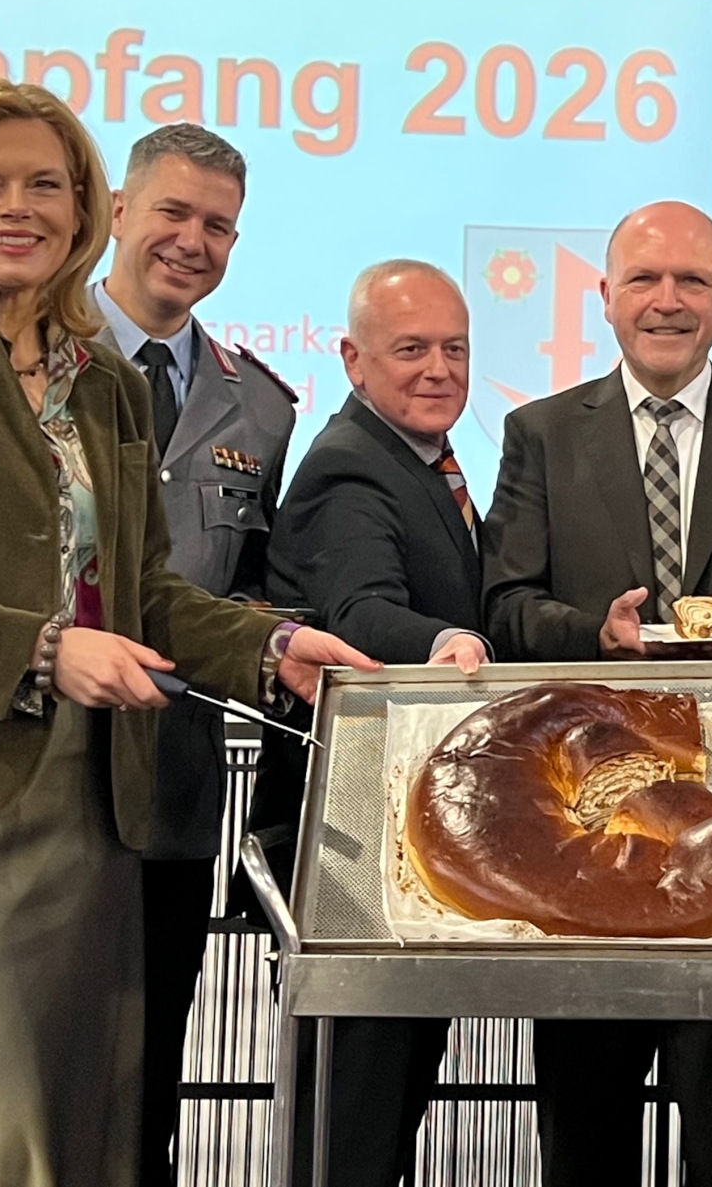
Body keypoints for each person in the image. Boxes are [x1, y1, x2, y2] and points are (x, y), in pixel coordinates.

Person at [0, 77, 371, 1187]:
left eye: (47, 183)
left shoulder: (99, 384)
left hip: (89, 803)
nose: (18, 206)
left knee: (79, 1135)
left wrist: (270, 649)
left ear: (83, 207)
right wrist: (42, 649)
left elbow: (143, 595)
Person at [482, 200, 712, 1187]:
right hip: (591, 826)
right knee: (584, 1117)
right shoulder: (539, 434)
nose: (668, 300)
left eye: (692, 281)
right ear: (605, 299)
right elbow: (506, 603)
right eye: (645, 279)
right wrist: (590, 631)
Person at [89, 121, 298, 1187]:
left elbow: (247, 580)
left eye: (218, 225)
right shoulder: (15, 349)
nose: (192, 240)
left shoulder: (258, 404)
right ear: (118, 211)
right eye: (172, 212)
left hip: (168, 783)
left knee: (145, 1081)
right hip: (22, 772)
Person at [250, 259, 486, 1185]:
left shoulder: (422, 460)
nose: (438, 368)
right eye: (411, 349)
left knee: (385, 1104)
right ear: (351, 360)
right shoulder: (349, 465)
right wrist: (454, 638)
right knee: (350, 1115)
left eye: (455, 348)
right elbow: (357, 613)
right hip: (351, 848)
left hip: (395, 845)